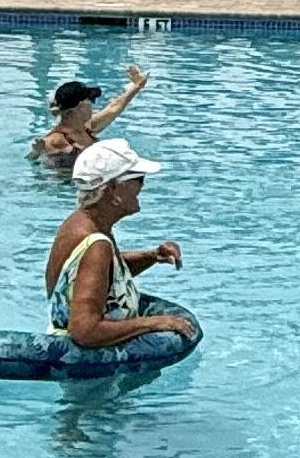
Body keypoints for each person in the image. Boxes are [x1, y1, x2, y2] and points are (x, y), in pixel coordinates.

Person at [46, 138, 194, 350]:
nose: (142, 185)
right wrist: (154, 323)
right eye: (138, 179)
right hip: (95, 375)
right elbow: (85, 332)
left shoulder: (81, 224)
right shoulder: (97, 246)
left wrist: (151, 256)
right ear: (113, 188)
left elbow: (99, 276)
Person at [29, 66, 150, 165]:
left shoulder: (88, 128)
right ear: (78, 107)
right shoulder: (55, 140)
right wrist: (35, 153)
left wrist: (138, 85)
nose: (93, 105)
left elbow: (114, 107)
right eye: (91, 100)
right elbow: (38, 169)